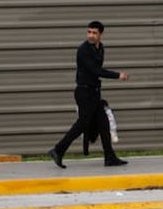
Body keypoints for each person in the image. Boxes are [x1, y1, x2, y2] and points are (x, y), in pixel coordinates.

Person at [48, 21, 128, 168]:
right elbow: (96, 71)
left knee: (103, 123)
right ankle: (58, 150)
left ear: (101, 35)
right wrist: (118, 75)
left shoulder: (100, 48)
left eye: (94, 33)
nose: (91, 35)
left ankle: (109, 157)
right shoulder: (84, 50)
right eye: (89, 32)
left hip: (94, 92)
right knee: (81, 124)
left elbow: (98, 69)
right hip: (84, 92)